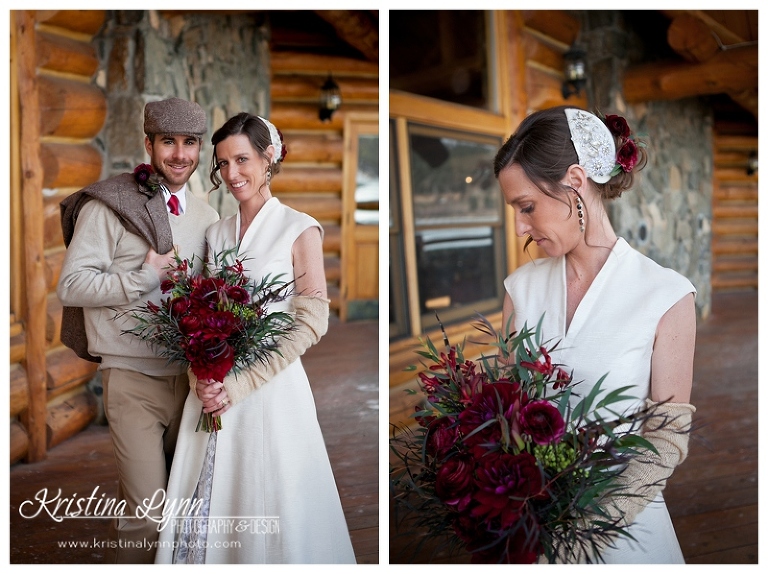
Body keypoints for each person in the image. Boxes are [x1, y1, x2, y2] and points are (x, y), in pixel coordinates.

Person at [495, 106, 696, 563]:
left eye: (527, 207)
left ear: (575, 181)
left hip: (622, 533)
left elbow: (665, 439)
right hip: (530, 528)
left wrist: (586, 526)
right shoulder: (519, 290)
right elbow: (504, 412)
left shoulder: (666, 296)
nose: (520, 227)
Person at [155, 112, 356, 564]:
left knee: (268, 496)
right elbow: (197, 312)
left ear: (269, 158)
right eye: (223, 163)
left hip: (271, 388)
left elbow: (311, 321)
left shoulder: (299, 228)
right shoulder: (216, 233)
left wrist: (241, 382)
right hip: (211, 386)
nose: (232, 174)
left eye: (242, 159)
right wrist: (200, 376)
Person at [57, 97, 220, 563]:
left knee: (183, 509)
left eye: (190, 143)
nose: (180, 154)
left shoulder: (206, 218)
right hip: (132, 382)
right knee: (146, 517)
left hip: (189, 383)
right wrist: (144, 277)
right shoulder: (110, 205)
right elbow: (71, 285)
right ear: (148, 144)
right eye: (168, 141)